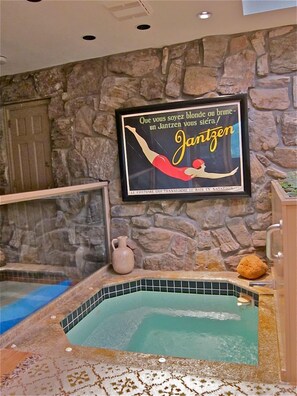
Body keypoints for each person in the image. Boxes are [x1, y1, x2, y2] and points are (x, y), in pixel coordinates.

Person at [126, 125, 238, 182]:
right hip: (161, 163)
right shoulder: (193, 171)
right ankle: (134, 132)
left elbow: (210, 175)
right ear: (200, 166)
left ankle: (134, 132)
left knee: (145, 148)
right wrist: (228, 174)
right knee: (145, 148)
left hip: (163, 163)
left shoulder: (194, 171)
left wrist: (229, 174)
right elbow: (211, 175)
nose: (205, 165)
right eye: (204, 164)